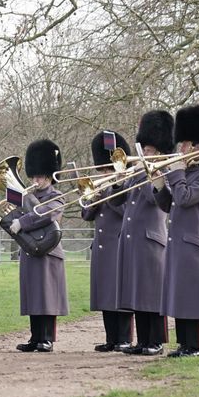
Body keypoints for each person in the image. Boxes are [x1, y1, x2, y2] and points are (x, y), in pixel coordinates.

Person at [161, 104, 199, 357]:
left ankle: (198, 344)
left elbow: (185, 197)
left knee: (195, 295)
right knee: (181, 294)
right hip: (179, 239)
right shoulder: (185, 173)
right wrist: (157, 186)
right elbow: (170, 203)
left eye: (185, 144)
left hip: (196, 241)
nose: (181, 149)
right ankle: (185, 342)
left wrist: (175, 175)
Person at [118, 111, 174, 356]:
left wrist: (152, 173)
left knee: (152, 294)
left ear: (160, 151)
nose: (147, 154)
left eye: (151, 150)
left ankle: (156, 341)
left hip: (151, 240)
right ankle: (142, 341)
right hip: (132, 240)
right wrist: (119, 180)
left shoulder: (165, 171)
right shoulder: (136, 173)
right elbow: (121, 201)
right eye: (146, 150)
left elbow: (157, 199)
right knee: (138, 293)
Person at [6, 139, 69, 353]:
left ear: (49, 176)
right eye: (33, 176)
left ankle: (47, 338)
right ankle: (35, 337)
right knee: (33, 295)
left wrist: (23, 219)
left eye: (40, 176)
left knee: (47, 296)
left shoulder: (57, 196)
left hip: (48, 250)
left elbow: (46, 214)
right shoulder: (25, 196)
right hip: (29, 249)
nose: (36, 180)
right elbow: (11, 212)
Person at [81, 130, 134, 352]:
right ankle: (111, 338)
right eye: (101, 169)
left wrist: (107, 193)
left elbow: (125, 210)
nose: (103, 172)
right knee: (105, 294)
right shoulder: (100, 185)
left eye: (106, 168)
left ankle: (124, 338)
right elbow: (86, 215)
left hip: (119, 244)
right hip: (102, 246)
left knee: (120, 294)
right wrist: (92, 200)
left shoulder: (127, 183)